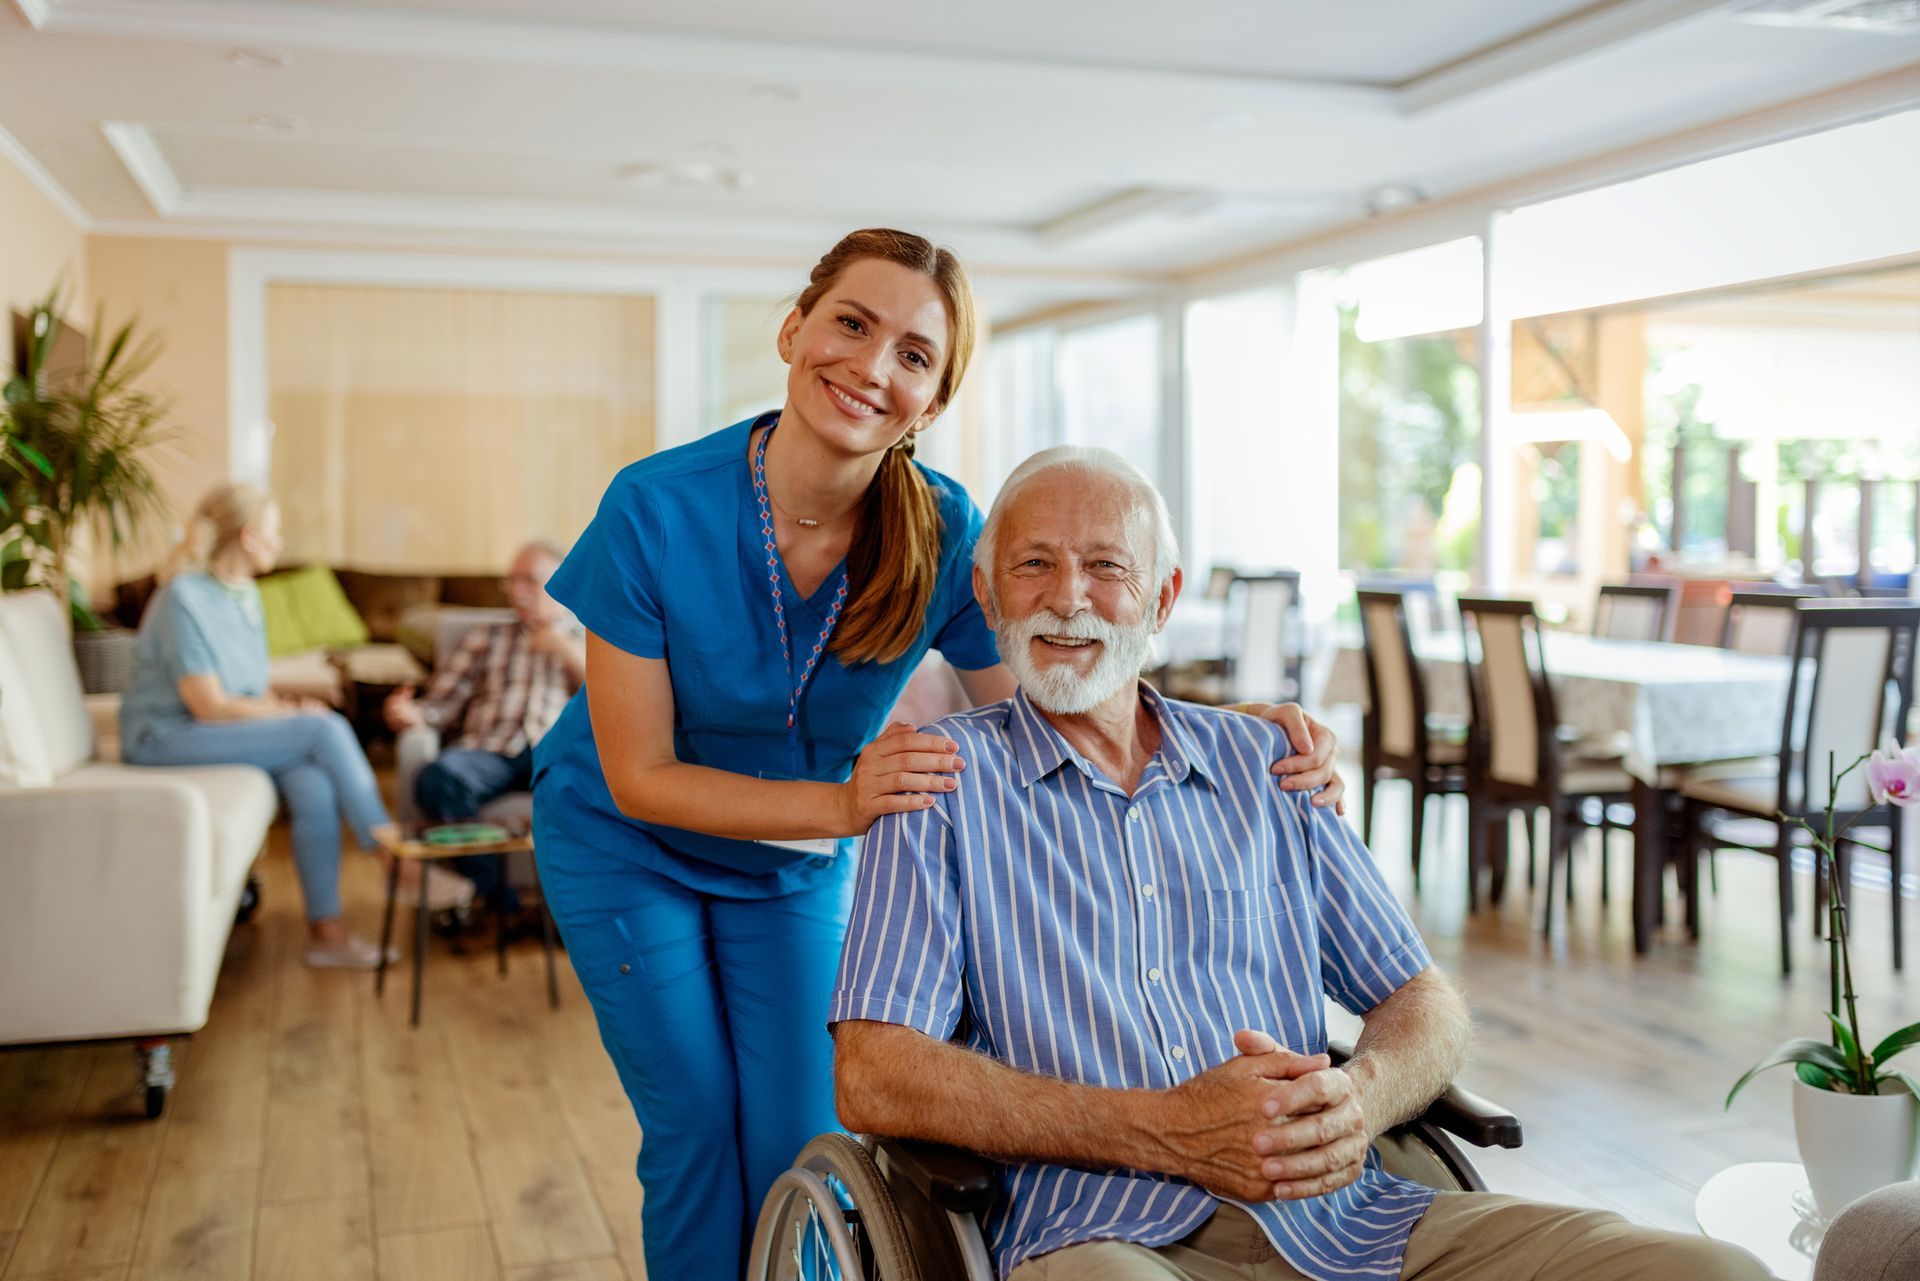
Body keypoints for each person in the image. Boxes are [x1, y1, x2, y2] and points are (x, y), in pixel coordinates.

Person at [531, 228, 1348, 1281]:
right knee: (693, 1129)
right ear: (795, 328)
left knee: (801, 1144)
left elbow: (1056, 701)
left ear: (934, 397)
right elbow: (642, 775)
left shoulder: (942, 530)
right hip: (626, 837)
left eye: (915, 355)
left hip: (790, 861)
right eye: (853, 324)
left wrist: (1239, 733)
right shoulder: (654, 507)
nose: (873, 367)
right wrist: (843, 808)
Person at [830, 446, 1768, 1281]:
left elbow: (1421, 1000)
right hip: (1101, 1235)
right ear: (989, 595)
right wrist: (1165, 1129)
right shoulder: (937, 784)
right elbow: (873, 1074)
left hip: (1353, 1221)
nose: (1069, 596)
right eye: (1033, 564)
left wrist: (1360, 1100)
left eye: (1107, 565)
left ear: (1161, 598)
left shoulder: (1268, 763)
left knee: (1710, 1268)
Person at [120, 484, 400, 969]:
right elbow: (208, 704)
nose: (279, 541)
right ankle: (393, 857)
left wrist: (286, 707)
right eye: (274, 531)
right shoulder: (183, 597)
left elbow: (248, 691)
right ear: (249, 536)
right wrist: (297, 718)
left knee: (312, 781)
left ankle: (327, 935)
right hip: (164, 736)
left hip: (209, 731)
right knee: (326, 730)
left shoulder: (245, 595)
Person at [384, 539, 584, 915]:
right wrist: (413, 714)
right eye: (512, 581)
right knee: (437, 778)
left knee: (593, 793)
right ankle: (497, 901)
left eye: (529, 580)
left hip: (554, 751)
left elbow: (608, 700)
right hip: (489, 750)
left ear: (561, 580)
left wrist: (560, 645)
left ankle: (575, 914)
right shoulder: (488, 635)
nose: (518, 590)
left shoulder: (589, 637)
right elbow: (443, 701)